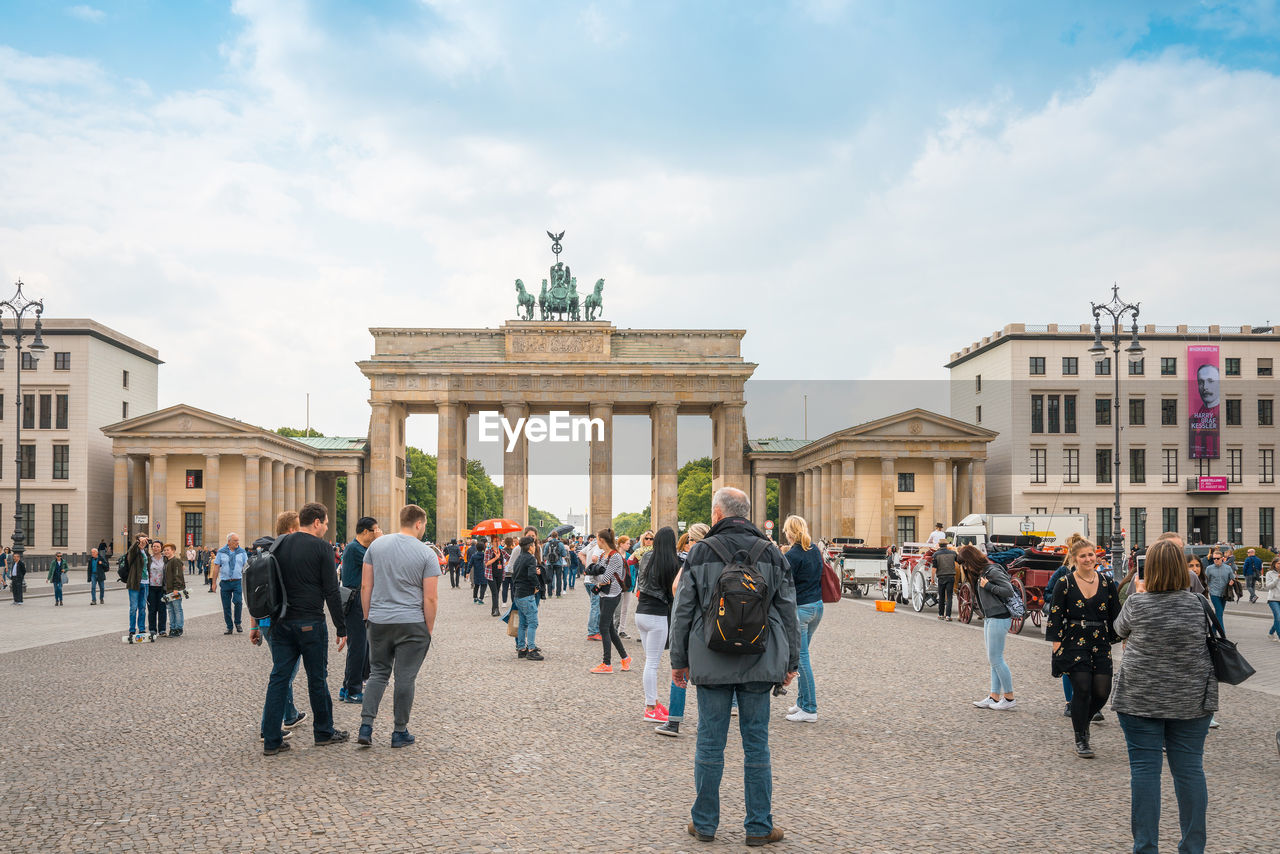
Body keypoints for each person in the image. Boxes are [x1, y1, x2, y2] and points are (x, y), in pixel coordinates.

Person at [670, 487, 799, 846]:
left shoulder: (700, 552)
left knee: (710, 744)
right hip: (759, 658)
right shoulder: (772, 553)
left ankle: (705, 823)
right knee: (757, 746)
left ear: (717, 515)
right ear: (747, 512)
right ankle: (759, 826)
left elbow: (682, 611)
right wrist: (792, 662)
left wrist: (678, 661)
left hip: (711, 657)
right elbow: (788, 612)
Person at [1112, 538, 1218, 854]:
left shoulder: (1137, 603)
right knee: (1189, 771)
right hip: (1191, 697)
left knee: (1144, 772)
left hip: (1139, 696)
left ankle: (1145, 847)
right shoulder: (1201, 604)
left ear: (1151, 569)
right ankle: (1192, 847)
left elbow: (1119, 630)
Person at [260, 502, 349, 755]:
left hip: (281, 622)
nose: (327, 528)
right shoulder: (322, 548)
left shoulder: (279, 544)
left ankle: (272, 739)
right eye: (327, 523)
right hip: (310, 622)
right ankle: (323, 731)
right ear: (317, 522)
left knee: (278, 679)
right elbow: (331, 591)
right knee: (317, 678)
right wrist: (341, 627)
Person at [357, 504, 440, 748]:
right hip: (412, 622)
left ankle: (366, 726)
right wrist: (429, 627)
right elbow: (431, 597)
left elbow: (366, 587)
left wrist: (367, 617)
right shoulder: (427, 554)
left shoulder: (376, 546)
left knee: (377, 673)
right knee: (405, 677)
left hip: (379, 620)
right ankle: (399, 731)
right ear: (418, 524)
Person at [1047, 537, 1120, 757]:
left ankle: (1082, 720)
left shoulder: (1107, 582)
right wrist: (1055, 641)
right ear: (1074, 558)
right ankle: (1081, 737)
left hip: (1100, 639)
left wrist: (1124, 636)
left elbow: (1116, 612)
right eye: (1083, 556)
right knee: (1082, 687)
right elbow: (1056, 613)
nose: (1088, 559)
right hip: (1074, 639)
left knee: (1102, 691)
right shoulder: (1065, 582)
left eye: (1091, 554)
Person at [249, 512, 308, 744]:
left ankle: (290, 714)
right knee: (283, 674)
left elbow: (254, 593)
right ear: (293, 530)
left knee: (282, 670)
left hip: (264, 621)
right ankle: (269, 726)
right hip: (281, 623)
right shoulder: (286, 555)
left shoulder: (266, 554)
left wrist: (254, 625)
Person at [656, 522, 709, 737]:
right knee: (712, 674)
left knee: (680, 672)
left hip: (694, 621)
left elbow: (677, 587)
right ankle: (707, 723)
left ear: (692, 541)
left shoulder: (693, 557)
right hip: (718, 620)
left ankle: (674, 721)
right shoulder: (721, 555)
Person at [956, 544, 1016, 710]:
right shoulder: (981, 572)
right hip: (990, 617)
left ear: (971, 560)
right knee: (993, 660)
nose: (965, 567)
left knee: (996, 659)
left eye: (965, 564)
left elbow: (1008, 590)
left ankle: (1009, 698)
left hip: (999, 617)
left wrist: (988, 586)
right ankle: (994, 696)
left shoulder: (992, 571)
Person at [777, 515, 823, 724]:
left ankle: (810, 708)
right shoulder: (814, 550)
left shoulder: (792, 555)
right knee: (802, 656)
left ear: (789, 532)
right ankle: (802, 702)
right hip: (817, 607)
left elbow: (783, 583)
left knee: (801, 660)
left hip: (801, 609)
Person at [634, 526, 680, 722]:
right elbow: (673, 592)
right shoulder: (673, 563)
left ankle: (653, 702)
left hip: (641, 613)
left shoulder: (646, 558)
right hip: (657, 615)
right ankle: (650, 707)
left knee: (649, 662)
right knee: (652, 663)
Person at [340, 516, 381, 704]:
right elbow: (379, 563)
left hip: (359, 599)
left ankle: (349, 685)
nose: (377, 533)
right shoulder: (355, 549)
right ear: (365, 531)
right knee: (357, 646)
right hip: (355, 600)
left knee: (361, 645)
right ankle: (352, 690)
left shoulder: (359, 548)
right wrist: (381, 541)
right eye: (375, 530)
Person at [589, 529, 631, 674]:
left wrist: (598, 579)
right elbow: (595, 577)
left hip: (612, 595)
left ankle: (607, 663)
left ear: (602, 540)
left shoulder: (615, 557)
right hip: (603, 594)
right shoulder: (603, 555)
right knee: (610, 629)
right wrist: (598, 579)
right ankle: (625, 657)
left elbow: (603, 578)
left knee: (603, 627)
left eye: (597, 539)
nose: (596, 542)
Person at [509, 535, 543, 660]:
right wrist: (537, 586)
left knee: (523, 623)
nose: (535, 547)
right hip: (527, 594)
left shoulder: (519, 558)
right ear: (530, 547)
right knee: (533, 622)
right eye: (534, 545)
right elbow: (531, 574)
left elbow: (513, 575)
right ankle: (531, 649)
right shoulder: (530, 559)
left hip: (518, 594)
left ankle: (521, 648)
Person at [213, 533, 249, 634]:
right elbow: (216, 567)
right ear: (229, 542)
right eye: (235, 541)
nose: (237, 542)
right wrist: (213, 583)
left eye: (238, 540)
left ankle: (238, 622)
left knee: (238, 602)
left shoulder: (242, 552)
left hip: (237, 582)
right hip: (225, 582)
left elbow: (246, 567)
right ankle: (229, 626)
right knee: (226, 606)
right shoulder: (221, 552)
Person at [579, 534, 603, 641]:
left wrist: (586, 565)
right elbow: (594, 558)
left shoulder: (591, 544)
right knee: (596, 606)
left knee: (596, 605)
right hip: (594, 580)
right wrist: (597, 567)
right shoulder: (599, 546)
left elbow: (580, 553)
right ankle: (593, 632)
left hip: (587, 580)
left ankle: (596, 630)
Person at [123, 535, 149, 633]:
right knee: (133, 608)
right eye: (142, 541)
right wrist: (137, 543)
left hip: (145, 583)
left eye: (145, 541)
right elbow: (132, 552)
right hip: (135, 582)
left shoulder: (146, 552)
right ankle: (132, 629)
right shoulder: (134, 552)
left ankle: (142, 628)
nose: (144, 543)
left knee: (142, 607)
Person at [162, 543, 187, 637]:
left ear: (173, 551)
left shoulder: (175, 561)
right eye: (164, 550)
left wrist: (176, 588)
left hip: (175, 589)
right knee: (170, 610)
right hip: (168, 590)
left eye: (168, 550)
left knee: (177, 609)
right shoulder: (167, 561)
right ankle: (172, 628)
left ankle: (178, 628)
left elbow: (178, 575)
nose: (166, 552)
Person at [1204, 552, 1233, 627]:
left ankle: (1213, 631)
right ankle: (1223, 634)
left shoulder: (1228, 568)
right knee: (1219, 612)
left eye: (1217, 558)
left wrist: (1231, 582)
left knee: (1219, 614)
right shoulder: (1209, 568)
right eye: (1214, 558)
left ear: (1222, 558)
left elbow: (1232, 578)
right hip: (1214, 593)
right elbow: (1205, 581)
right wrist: (1207, 589)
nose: (1215, 560)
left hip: (1224, 594)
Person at [145, 541, 168, 638]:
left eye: (157, 546)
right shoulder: (149, 559)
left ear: (161, 548)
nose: (155, 548)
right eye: (154, 546)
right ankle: (152, 629)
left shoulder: (165, 559)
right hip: (151, 586)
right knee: (152, 609)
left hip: (162, 587)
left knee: (162, 609)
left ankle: (162, 629)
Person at [930, 539, 957, 621]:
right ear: (946, 545)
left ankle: (941, 614)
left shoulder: (935, 555)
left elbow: (934, 568)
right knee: (949, 597)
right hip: (951, 577)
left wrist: (932, 579)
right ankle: (948, 616)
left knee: (941, 596)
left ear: (939, 545)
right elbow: (959, 562)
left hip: (941, 577)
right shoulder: (953, 553)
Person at [483, 535, 504, 617]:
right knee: (494, 592)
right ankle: (496, 610)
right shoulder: (488, 551)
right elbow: (486, 563)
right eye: (495, 541)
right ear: (492, 542)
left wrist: (504, 565)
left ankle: (494, 609)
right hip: (491, 575)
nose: (497, 542)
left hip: (500, 574)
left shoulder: (502, 551)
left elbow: (510, 558)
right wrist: (496, 558)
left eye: (498, 540)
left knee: (497, 592)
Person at [542, 532, 567, 598]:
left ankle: (550, 594)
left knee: (550, 578)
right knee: (559, 579)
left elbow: (544, 554)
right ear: (557, 536)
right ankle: (558, 594)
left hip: (549, 563)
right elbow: (564, 554)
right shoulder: (560, 544)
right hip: (558, 563)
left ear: (551, 536)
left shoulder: (547, 544)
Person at [467, 537, 487, 604]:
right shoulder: (485, 555)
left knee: (476, 585)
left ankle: (475, 598)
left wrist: (467, 572)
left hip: (476, 572)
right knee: (483, 585)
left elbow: (470, 564)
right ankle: (481, 598)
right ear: (483, 548)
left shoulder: (473, 555)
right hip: (484, 572)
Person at [1265, 557, 1280, 643]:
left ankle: (1271, 633)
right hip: (1273, 599)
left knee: (1279, 618)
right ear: (1274, 564)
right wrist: (1277, 578)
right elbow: (1269, 586)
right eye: (1278, 563)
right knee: (1278, 617)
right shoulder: (1269, 573)